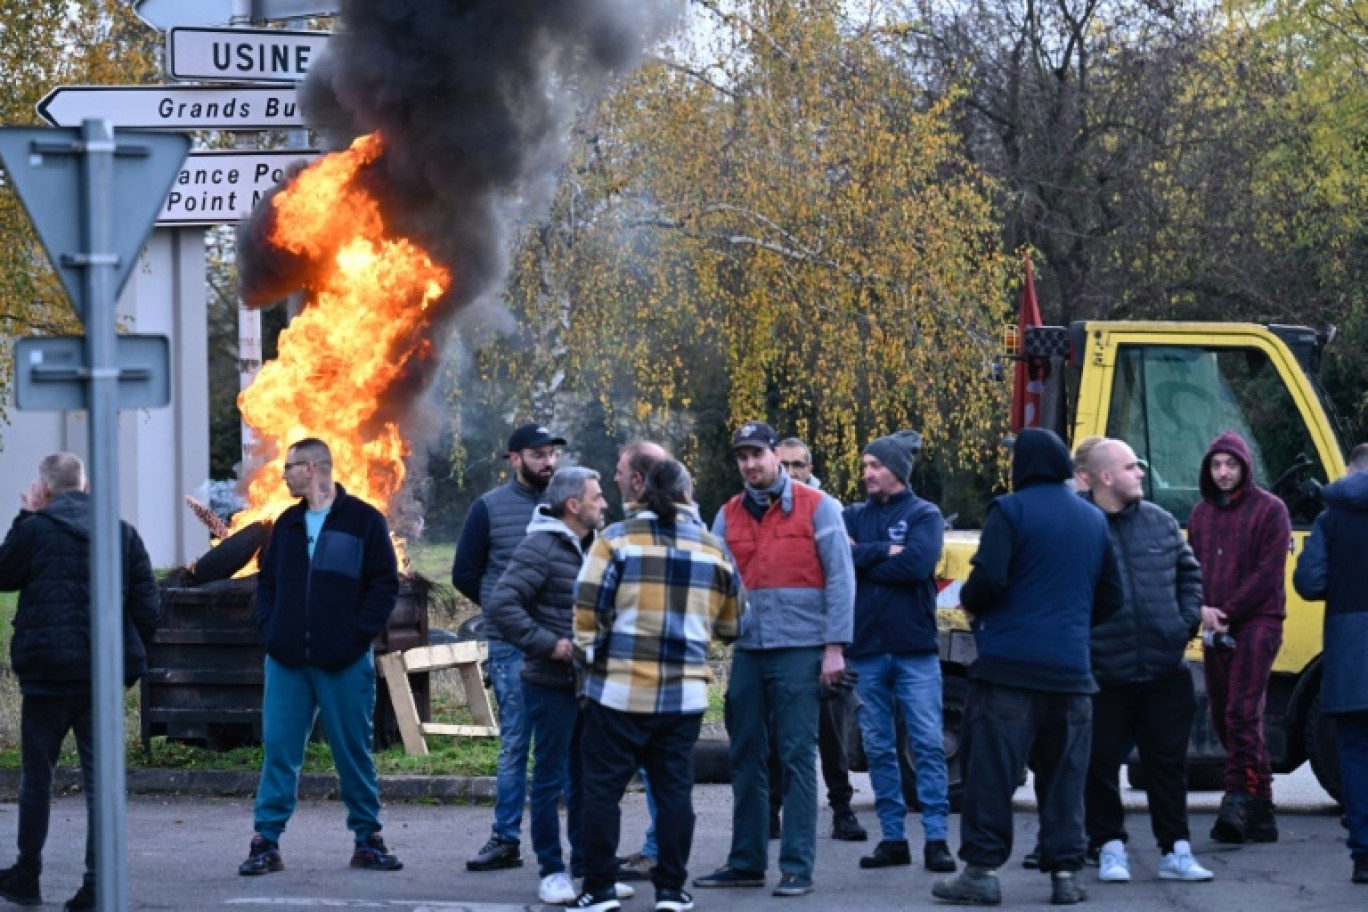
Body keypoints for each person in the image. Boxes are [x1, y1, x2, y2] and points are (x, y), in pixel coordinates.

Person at [931, 428, 1121, 907]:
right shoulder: (1094, 520)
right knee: (1064, 779)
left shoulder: (1009, 510)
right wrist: (1073, 624)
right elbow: (1112, 598)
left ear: (1025, 466)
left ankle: (981, 871)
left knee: (993, 774)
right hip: (1072, 675)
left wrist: (976, 605)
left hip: (1010, 672)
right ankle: (1065, 876)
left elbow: (988, 579)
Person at [570, 458, 745, 912]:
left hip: (617, 695)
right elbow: (734, 625)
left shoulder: (613, 542)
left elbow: (586, 616)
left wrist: (589, 664)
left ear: (641, 492)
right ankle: (671, 890)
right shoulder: (714, 549)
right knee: (673, 796)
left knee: (602, 794)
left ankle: (599, 890)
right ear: (688, 495)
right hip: (683, 698)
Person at [694, 421, 855, 898]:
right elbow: (716, 583)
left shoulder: (818, 507)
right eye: (741, 457)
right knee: (744, 755)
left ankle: (796, 866)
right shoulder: (728, 513)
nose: (749, 465)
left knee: (797, 756)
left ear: (775, 458)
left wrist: (834, 648)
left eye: (756, 455)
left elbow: (842, 581)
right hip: (748, 651)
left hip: (801, 652)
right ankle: (745, 860)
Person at [0, 453, 160, 911]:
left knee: (36, 780)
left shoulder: (34, 530)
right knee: (101, 784)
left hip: (47, 677)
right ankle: (96, 886)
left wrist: (23, 515)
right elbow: (148, 608)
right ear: (85, 486)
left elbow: (3, 575)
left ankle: (26, 875)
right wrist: (129, 660)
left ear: (44, 489)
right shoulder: (121, 532)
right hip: (101, 679)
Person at [239, 438, 403, 876]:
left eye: (289, 467)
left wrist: (355, 637)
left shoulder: (364, 521)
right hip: (288, 660)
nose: (283, 474)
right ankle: (265, 843)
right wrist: (272, 633)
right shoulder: (286, 525)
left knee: (353, 751)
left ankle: (368, 839)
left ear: (312, 468)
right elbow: (268, 584)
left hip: (344, 660)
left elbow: (385, 584)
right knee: (279, 751)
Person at [1082, 438, 1213, 884]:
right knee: (1098, 764)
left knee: (1167, 764)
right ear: (1105, 477)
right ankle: (1109, 847)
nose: (1141, 472)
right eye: (1131, 466)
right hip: (1103, 671)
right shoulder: (1082, 526)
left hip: (1162, 669)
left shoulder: (1160, 523)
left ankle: (1176, 850)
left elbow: (1190, 574)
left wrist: (1185, 623)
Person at [486, 467, 609, 905]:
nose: (604, 504)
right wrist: (548, 644)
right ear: (573, 505)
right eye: (597, 497)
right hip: (550, 684)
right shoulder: (539, 546)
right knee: (551, 779)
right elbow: (501, 603)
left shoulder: (596, 545)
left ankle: (587, 871)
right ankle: (552, 871)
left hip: (589, 685)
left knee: (585, 780)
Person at [454, 422, 565, 872]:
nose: (548, 462)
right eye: (538, 454)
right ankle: (505, 839)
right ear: (514, 459)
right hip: (511, 648)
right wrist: (508, 615)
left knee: (568, 744)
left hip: (562, 644)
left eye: (552, 453)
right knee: (517, 742)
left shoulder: (569, 503)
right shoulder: (488, 509)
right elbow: (465, 572)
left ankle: (580, 845)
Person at [843, 431, 952, 872]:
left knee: (927, 743)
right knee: (879, 747)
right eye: (865, 465)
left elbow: (918, 564)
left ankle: (937, 839)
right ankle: (893, 838)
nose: (866, 473)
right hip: (866, 649)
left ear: (897, 471)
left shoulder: (925, 513)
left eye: (875, 466)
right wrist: (884, 552)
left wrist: (865, 559)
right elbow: (836, 558)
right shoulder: (850, 515)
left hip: (914, 650)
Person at [1187, 432, 1291, 844]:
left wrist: (1226, 611)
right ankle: (1262, 808)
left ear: (1245, 466)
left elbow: (1268, 575)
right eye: (1216, 465)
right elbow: (1191, 568)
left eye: (1230, 464)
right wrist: (1204, 611)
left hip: (1259, 622)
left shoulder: (1271, 510)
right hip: (1215, 625)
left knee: (1242, 713)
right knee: (1223, 716)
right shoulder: (1200, 514)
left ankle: (1235, 800)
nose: (1223, 472)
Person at [771, 436, 863, 844]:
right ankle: (771, 811)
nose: (791, 473)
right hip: (779, 638)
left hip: (822, 637)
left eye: (798, 465)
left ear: (810, 469)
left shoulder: (828, 510)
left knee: (832, 732)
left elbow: (841, 579)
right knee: (777, 731)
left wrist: (836, 643)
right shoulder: (761, 510)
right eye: (784, 465)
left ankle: (842, 810)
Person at [1022, 432, 1107, 870]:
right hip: (1078, 654)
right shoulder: (1088, 520)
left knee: (1070, 761)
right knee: (1059, 760)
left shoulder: (1088, 521)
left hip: (1081, 656)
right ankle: (1060, 846)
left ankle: (1074, 842)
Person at [1293, 441, 1368, 884]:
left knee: (1356, 753)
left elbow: (1309, 580)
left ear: (1349, 470)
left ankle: (1364, 854)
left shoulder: (1329, 518)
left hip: (1349, 651)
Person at [609, 441, 672, 883]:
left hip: (638, 674)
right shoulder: (698, 535)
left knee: (628, 770)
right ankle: (664, 859)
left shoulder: (621, 538)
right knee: (663, 771)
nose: (613, 478)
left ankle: (655, 857)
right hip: (677, 676)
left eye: (620, 471)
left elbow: (591, 613)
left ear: (637, 480)